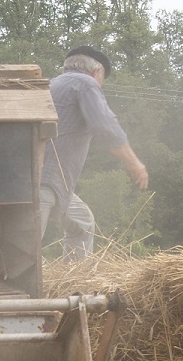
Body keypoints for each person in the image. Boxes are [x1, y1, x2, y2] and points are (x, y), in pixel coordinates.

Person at [41, 46, 149, 259]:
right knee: (25, 250)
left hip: (50, 181)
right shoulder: (86, 83)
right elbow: (106, 128)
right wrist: (135, 163)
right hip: (43, 183)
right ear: (96, 71)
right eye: (102, 80)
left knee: (82, 221)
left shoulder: (50, 85)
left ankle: (74, 277)